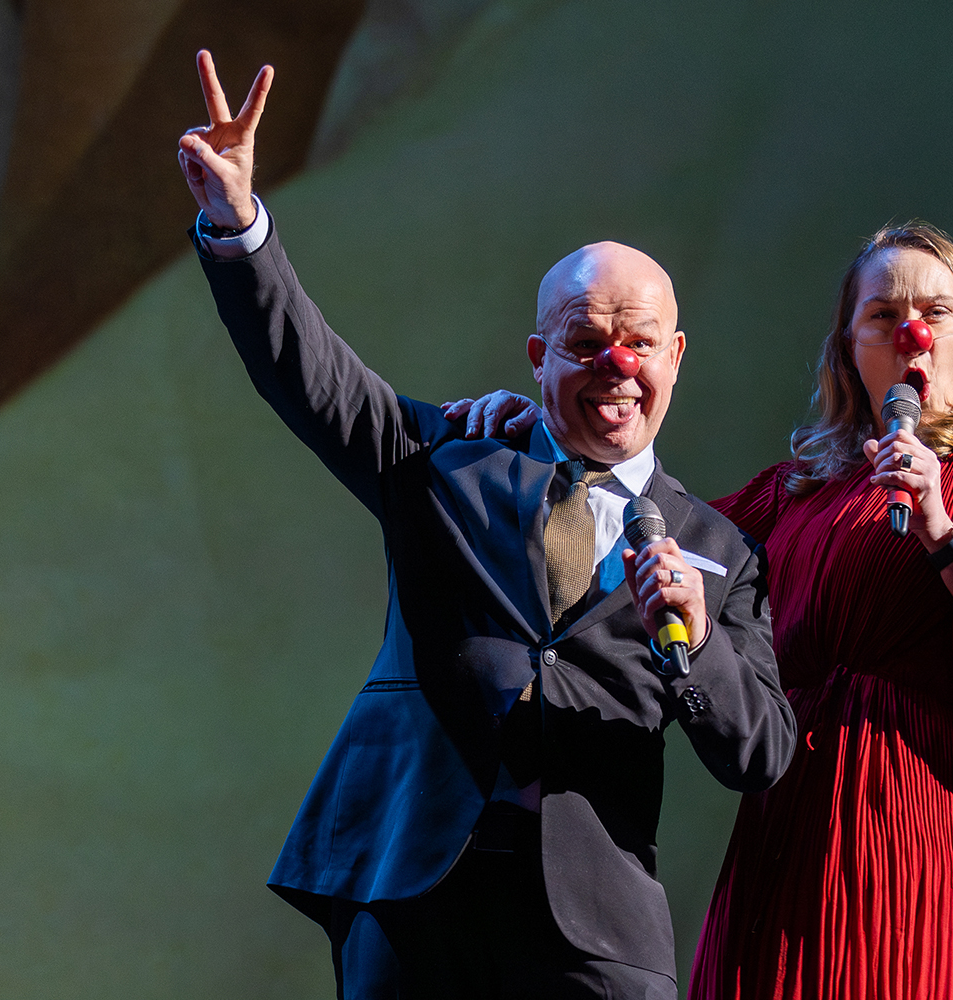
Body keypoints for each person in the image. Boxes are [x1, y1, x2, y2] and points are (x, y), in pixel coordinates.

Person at [174, 51, 797, 999]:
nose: (618, 365)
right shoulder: (447, 461)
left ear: (676, 356)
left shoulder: (720, 552)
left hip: (592, 922)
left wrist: (699, 642)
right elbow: (310, 374)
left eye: (640, 343)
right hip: (416, 886)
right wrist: (237, 225)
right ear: (539, 356)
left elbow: (760, 754)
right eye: (587, 341)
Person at [449, 221, 953, 999]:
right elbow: (638, 535)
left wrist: (943, 529)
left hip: (915, 823)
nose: (913, 335)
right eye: (882, 315)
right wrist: (548, 433)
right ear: (849, 347)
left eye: (937, 312)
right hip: (786, 818)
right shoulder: (792, 493)